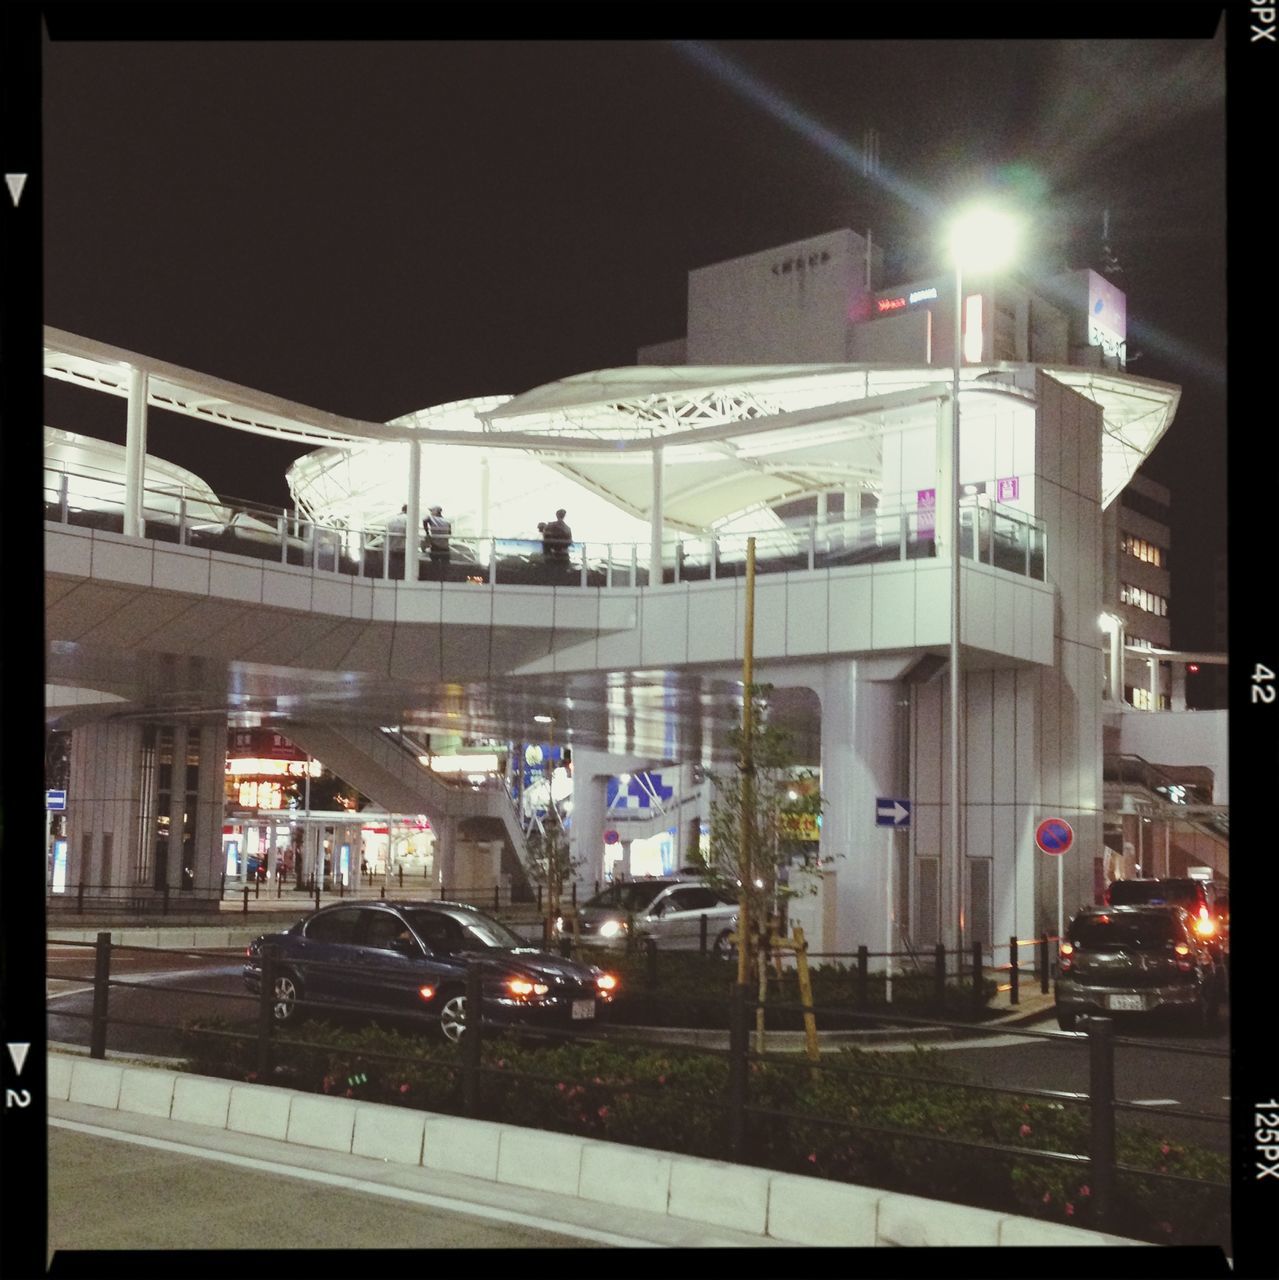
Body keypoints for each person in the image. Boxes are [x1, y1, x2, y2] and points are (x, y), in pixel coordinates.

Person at [386, 505, 407, 578]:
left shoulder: (391, 519)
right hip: (403, 548)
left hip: (392, 547)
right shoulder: (408, 519)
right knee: (403, 568)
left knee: (393, 566)